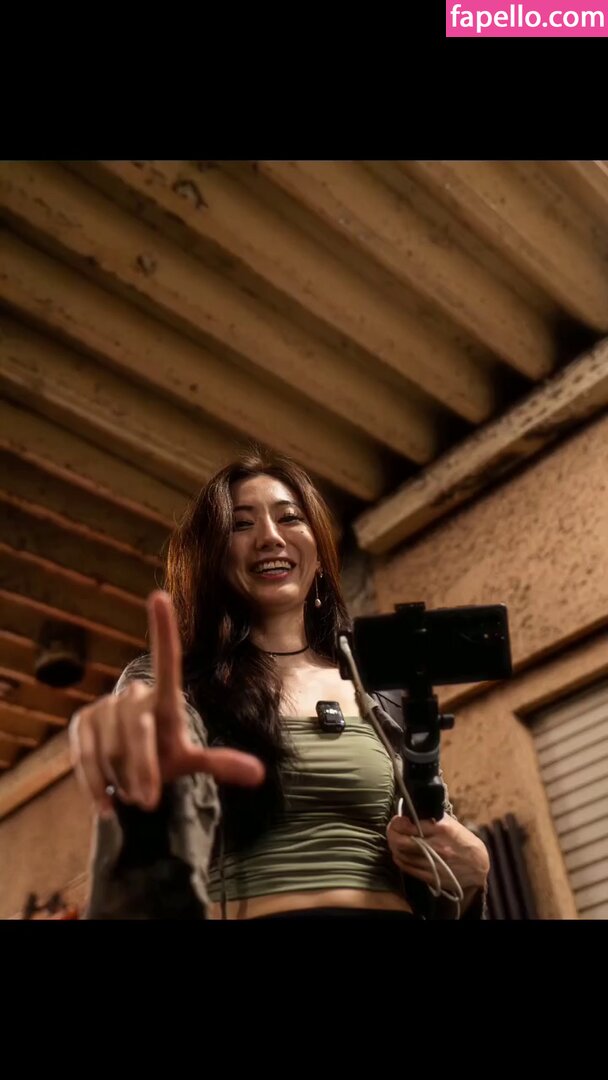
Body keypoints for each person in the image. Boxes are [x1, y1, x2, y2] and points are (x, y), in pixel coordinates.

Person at [70, 447, 490, 920]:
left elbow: (437, 866)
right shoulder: (174, 683)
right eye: (241, 525)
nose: (270, 537)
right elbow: (150, 757)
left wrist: (471, 874)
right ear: (214, 558)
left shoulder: (379, 689)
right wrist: (140, 748)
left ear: (319, 551)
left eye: (290, 518)